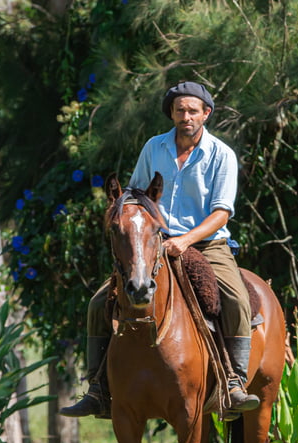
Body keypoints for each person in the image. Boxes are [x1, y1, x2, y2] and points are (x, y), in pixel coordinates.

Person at [60, 80, 259, 419]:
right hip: (152, 243)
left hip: (207, 244)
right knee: (98, 303)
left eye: (193, 111)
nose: (186, 116)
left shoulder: (221, 155)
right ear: (172, 113)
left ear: (206, 114)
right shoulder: (154, 148)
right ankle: (96, 388)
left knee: (236, 299)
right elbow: (136, 193)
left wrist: (185, 240)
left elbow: (222, 212)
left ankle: (233, 384)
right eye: (180, 110)